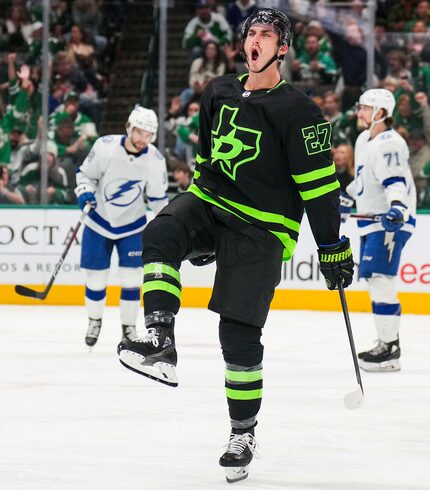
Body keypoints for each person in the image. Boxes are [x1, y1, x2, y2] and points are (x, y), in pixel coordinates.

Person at [117, 9, 354, 484]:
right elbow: (206, 157)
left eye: (267, 34)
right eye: (251, 32)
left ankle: (241, 432)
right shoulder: (217, 90)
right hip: (211, 200)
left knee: (238, 334)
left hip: (263, 228)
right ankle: (161, 339)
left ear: (282, 48)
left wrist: (331, 246)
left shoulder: (300, 111)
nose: (256, 39)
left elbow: (319, 188)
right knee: (161, 233)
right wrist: (199, 232)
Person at [75, 107, 168, 348]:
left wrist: (168, 223)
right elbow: (85, 175)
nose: (141, 138)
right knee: (96, 280)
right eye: (138, 131)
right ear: (128, 127)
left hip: (132, 226)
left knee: (131, 279)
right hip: (99, 222)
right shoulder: (105, 147)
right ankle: (94, 320)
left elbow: (158, 199)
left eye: (147, 134)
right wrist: (85, 192)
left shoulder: (155, 161)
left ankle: (128, 327)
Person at [343, 89, 416, 372]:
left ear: (381, 112)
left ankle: (390, 348)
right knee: (376, 279)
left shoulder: (390, 143)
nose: (359, 112)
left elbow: (395, 181)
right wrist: (348, 196)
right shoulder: (364, 139)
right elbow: (364, 178)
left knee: (381, 279)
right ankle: (388, 343)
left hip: (389, 221)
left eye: (365, 107)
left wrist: (397, 208)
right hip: (372, 221)